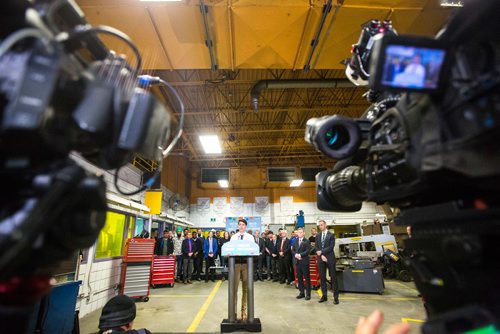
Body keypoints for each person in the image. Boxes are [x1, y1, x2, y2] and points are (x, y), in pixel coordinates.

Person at [230, 218, 254, 321]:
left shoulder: (250, 237)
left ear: (246, 226)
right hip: (235, 264)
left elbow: (253, 250)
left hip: (246, 264)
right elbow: (230, 249)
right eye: (239, 224)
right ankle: (233, 312)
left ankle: (244, 312)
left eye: (243, 224)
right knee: (234, 289)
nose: (241, 226)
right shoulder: (234, 237)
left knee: (246, 289)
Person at [315, 220, 339, 304]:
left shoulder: (331, 235)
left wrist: (321, 252)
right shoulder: (318, 235)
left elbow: (331, 247)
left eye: (322, 225)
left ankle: (336, 297)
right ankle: (324, 296)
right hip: (321, 259)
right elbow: (316, 246)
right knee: (322, 278)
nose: (320, 226)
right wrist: (321, 255)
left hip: (330, 258)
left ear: (326, 225)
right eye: (319, 225)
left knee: (333, 277)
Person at [291, 228, 311, 300]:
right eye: (298, 232)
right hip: (298, 262)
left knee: (307, 278)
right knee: (299, 278)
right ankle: (301, 293)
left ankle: (308, 294)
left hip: (304, 262)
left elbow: (308, 251)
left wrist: (300, 255)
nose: (299, 233)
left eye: (301, 232)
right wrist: (296, 255)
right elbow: (293, 250)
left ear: (303, 233)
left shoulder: (307, 241)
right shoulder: (295, 241)